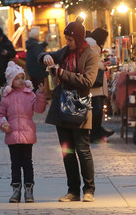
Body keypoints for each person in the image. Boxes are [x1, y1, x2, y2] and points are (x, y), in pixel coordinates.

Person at [39, 21, 99, 202]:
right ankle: (73, 191)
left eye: (71, 39)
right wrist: (44, 57)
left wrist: (61, 73)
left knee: (82, 149)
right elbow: (44, 55)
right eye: (66, 39)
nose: (68, 42)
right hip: (62, 107)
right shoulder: (64, 52)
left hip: (80, 107)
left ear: (79, 39)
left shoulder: (91, 54)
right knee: (67, 151)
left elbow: (88, 81)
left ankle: (89, 189)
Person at [0, 62, 47, 203]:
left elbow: (38, 109)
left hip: (27, 135)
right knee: (15, 164)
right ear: (11, 81)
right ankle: (16, 190)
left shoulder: (29, 94)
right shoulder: (7, 97)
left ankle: (29, 190)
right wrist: (3, 124)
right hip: (12, 134)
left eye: (22, 77)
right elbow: (1, 114)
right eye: (17, 78)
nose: (21, 80)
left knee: (27, 163)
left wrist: (40, 95)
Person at [86, 27, 114, 143]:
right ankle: (95, 133)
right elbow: (92, 62)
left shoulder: (91, 42)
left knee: (96, 108)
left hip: (94, 82)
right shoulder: (92, 43)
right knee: (96, 108)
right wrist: (102, 65)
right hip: (94, 82)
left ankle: (97, 131)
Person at [25, 27, 48, 92]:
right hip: (38, 71)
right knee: (39, 89)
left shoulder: (31, 43)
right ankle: (39, 101)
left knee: (34, 87)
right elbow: (40, 56)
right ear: (36, 36)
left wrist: (45, 43)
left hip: (33, 70)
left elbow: (37, 48)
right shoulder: (35, 45)